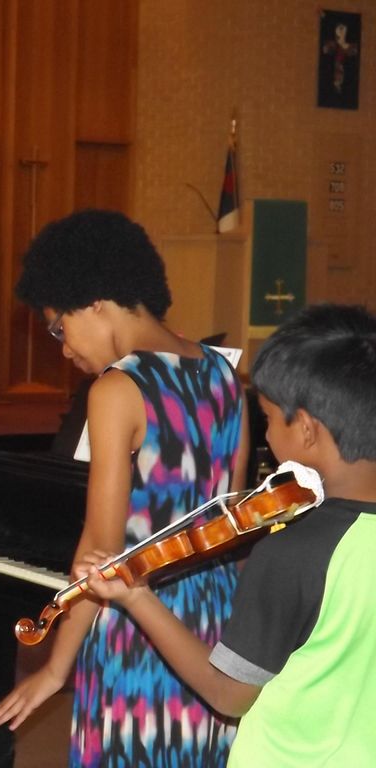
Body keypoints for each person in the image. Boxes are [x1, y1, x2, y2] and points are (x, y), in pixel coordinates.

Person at [0, 209, 248, 766]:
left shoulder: (117, 388)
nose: (63, 348)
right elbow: (231, 523)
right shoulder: (225, 375)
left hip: (140, 624)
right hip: (212, 623)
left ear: (95, 300)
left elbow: (99, 554)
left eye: (59, 326)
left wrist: (55, 669)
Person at [78, 303, 376, 765]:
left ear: (307, 429)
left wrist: (136, 597)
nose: (267, 435)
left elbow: (230, 695)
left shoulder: (291, 551)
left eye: (269, 419)